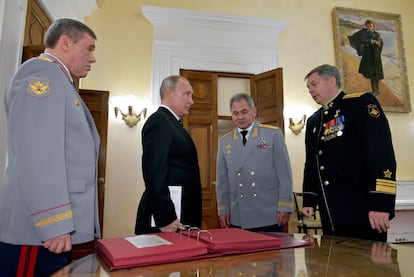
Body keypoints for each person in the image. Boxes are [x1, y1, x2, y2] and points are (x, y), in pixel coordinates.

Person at [0, 18, 100, 276]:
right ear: (65, 42)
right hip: (37, 232)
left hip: (50, 230)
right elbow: (38, 155)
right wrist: (53, 222)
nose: (93, 58)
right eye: (89, 48)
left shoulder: (60, 81)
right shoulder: (42, 74)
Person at [302, 64, 396, 242]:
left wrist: (381, 203)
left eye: (314, 84)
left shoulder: (360, 103)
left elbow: (381, 153)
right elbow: (312, 163)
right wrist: (309, 199)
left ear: (331, 80)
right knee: (338, 264)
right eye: (308, 87)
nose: (310, 90)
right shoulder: (315, 120)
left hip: (363, 208)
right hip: (330, 209)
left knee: (369, 265)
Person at [216, 93, 293, 232]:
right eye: (235, 113)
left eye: (244, 112)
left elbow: (284, 174)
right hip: (238, 214)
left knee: (272, 254)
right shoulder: (224, 142)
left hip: (268, 212)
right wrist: (223, 209)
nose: (240, 117)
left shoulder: (272, 135)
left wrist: (285, 205)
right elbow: (222, 182)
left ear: (254, 111)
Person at [135, 75, 202, 234]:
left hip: (178, 215)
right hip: (168, 221)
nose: (191, 101)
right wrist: (165, 217)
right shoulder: (159, 122)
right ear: (169, 93)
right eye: (186, 94)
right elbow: (154, 174)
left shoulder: (172, 123)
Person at [348, 19, 384, 95]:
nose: (370, 27)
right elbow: (361, 40)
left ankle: (376, 91)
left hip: (375, 57)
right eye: (368, 26)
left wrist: (372, 42)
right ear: (366, 26)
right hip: (368, 56)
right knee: (371, 74)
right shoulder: (364, 33)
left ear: (373, 26)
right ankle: (375, 91)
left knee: (375, 74)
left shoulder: (377, 34)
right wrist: (370, 41)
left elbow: (379, 44)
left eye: (371, 26)